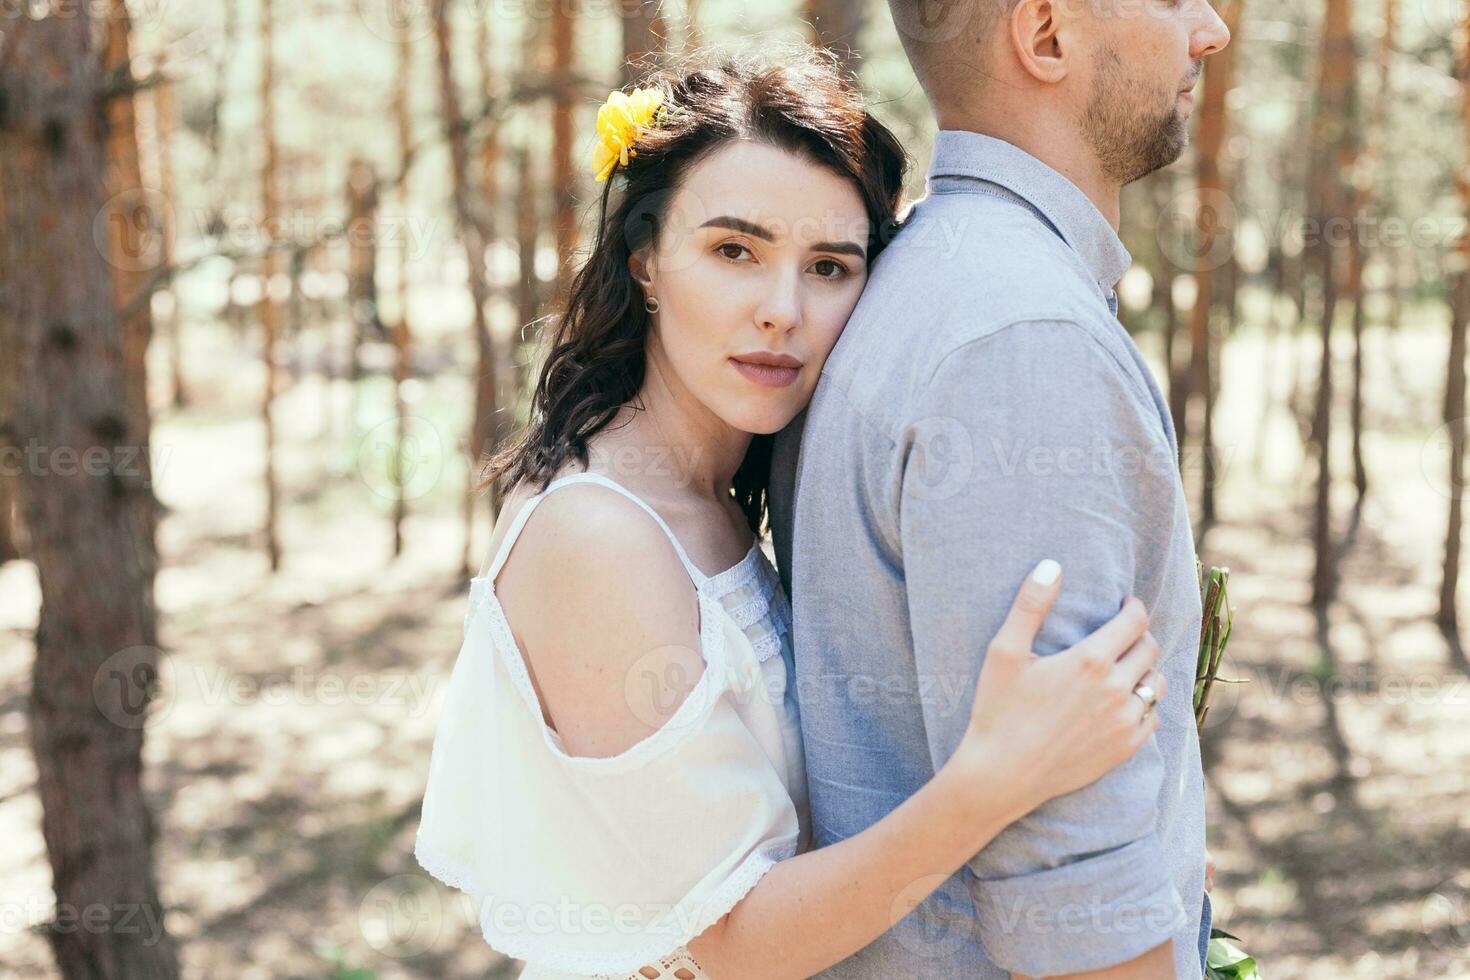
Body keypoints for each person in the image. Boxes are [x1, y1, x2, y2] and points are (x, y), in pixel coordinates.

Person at [414, 50, 1170, 980]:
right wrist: (994, 780)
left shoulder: (721, 497)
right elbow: (733, 944)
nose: (782, 311)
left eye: (828, 266)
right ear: (645, 257)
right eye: (734, 250)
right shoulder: (597, 536)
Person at [768, 2, 1232, 977]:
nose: (1208, 30)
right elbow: (1077, 923)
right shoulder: (1022, 342)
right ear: (1047, 34)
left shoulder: (929, 277)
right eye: (1171, 0)